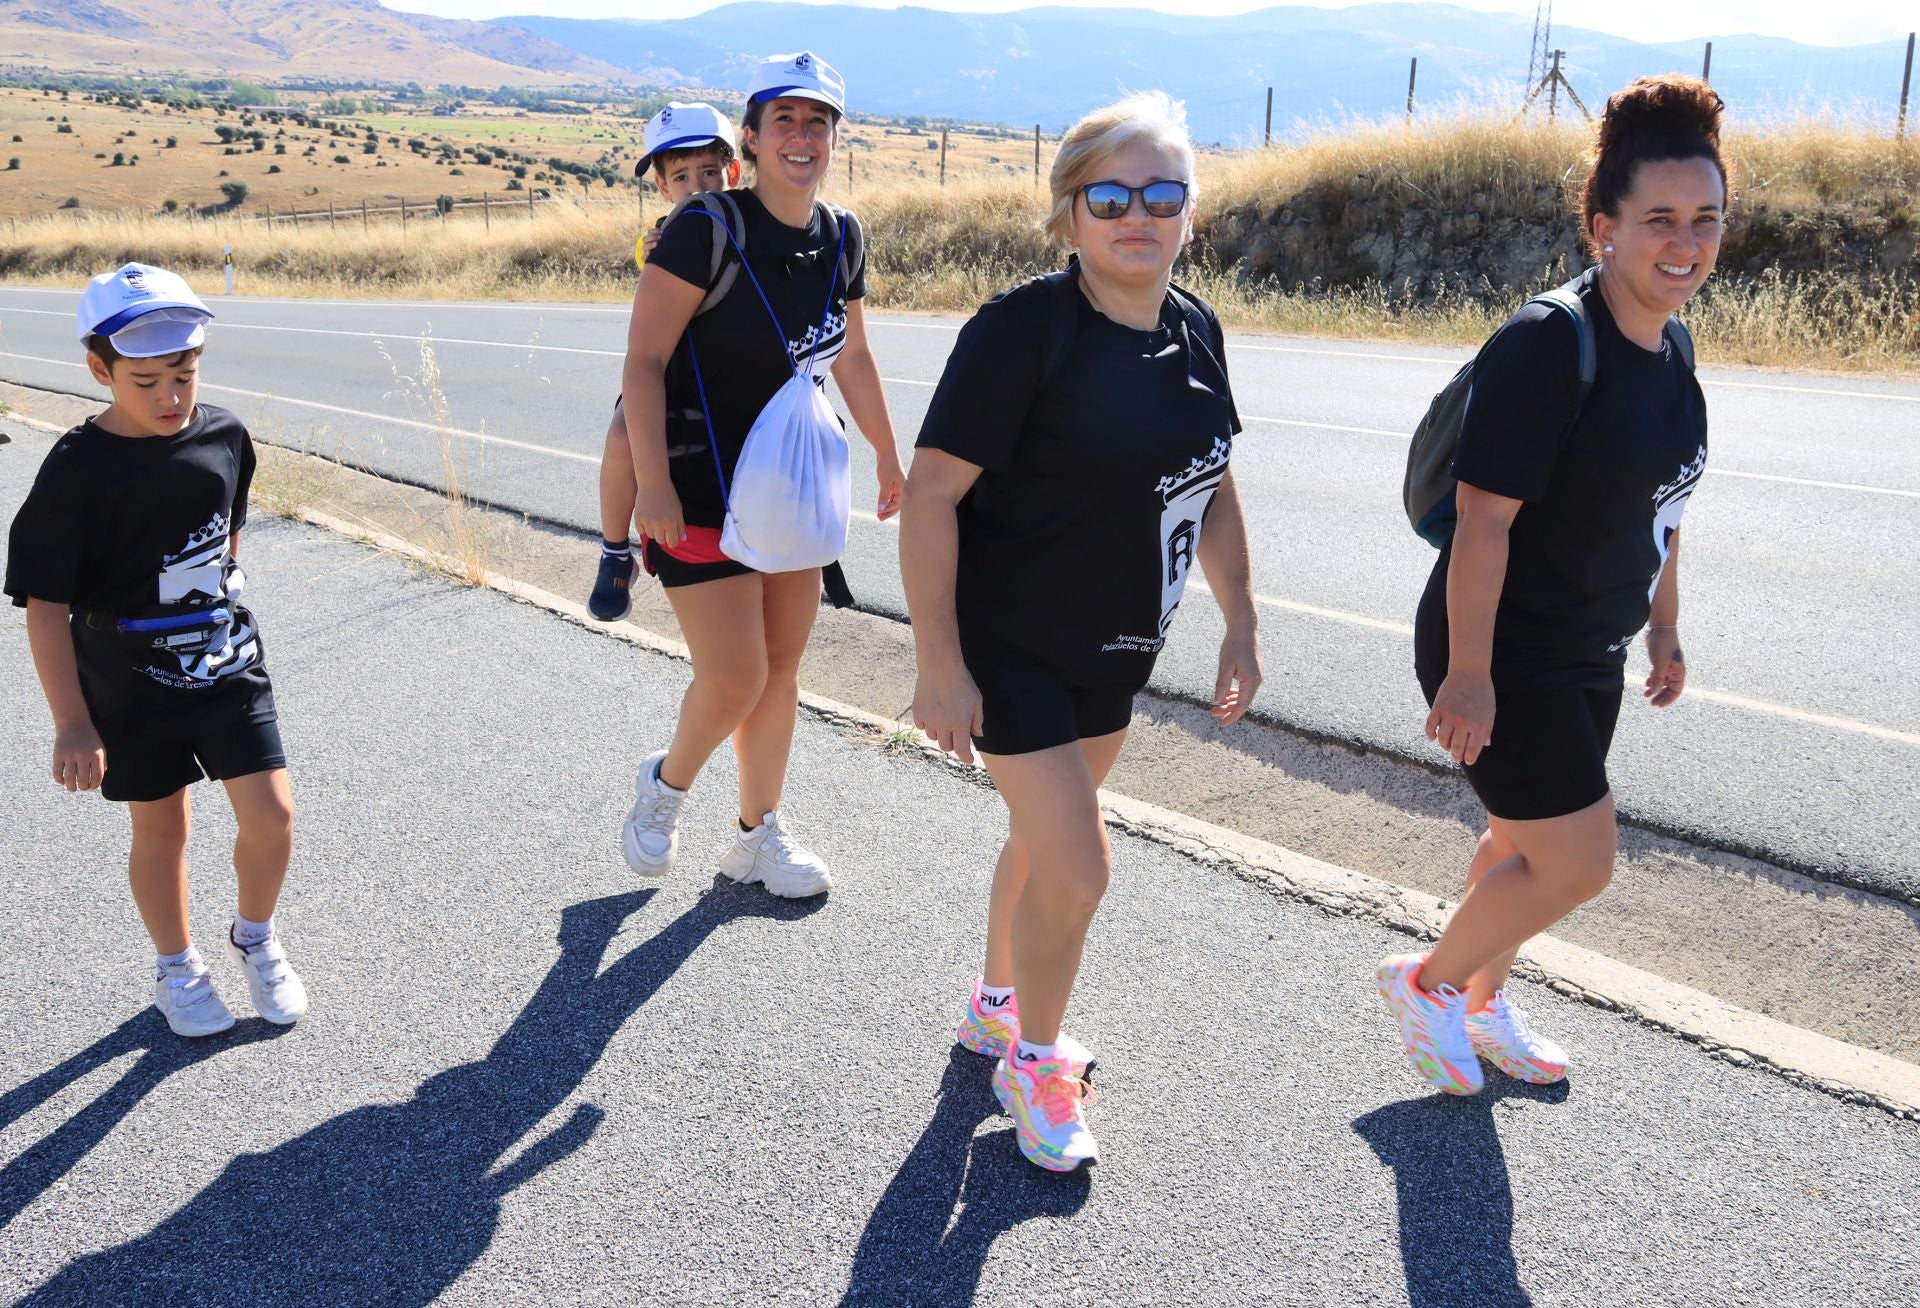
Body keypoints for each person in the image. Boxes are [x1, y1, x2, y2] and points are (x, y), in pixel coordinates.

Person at [900, 91, 1260, 1171]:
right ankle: (1036, 1062)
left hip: (1119, 646)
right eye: (1110, 196)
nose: (1137, 215)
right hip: (1011, 645)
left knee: (1045, 844)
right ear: (1069, 215)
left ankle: (996, 1004)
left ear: (1191, 212)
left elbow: (1214, 479)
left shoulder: (1195, 325)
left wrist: (1240, 616)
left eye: (1163, 194)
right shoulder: (1021, 334)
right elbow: (927, 498)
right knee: (1082, 864)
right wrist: (939, 664)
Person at [1380, 75, 1724, 1095]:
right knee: (1578, 863)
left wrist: (1664, 626)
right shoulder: (1549, 343)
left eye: (1705, 219)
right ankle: (1431, 985)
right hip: (1504, 646)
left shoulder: (1672, 347)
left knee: (1519, 845)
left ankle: (1480, 1008)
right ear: (1602, 224)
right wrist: (1471, 676)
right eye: (1658, 218)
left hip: (1590, 646)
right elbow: (1484, 520)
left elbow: (1660, 505)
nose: (1685, 242)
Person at [615, 51, 905, 898]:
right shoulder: (705, 229)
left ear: (834, 138)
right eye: (786, 119)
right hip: (696, 485)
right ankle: (665, 788)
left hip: (794, 490)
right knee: (735, 673)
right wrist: (651, 485)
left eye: (819, 121)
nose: (803, 136)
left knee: (781, 671)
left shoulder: (841, 235)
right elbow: (642, 361)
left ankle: (756, 836)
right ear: (752, 136)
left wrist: (890, 453)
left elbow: (852, 352)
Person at [6, 263, 308, 1037]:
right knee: (162, 827)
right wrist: (72, 723)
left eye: (185, 373)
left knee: (272, 813)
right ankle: (178, 966)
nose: (172, 397)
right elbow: (46, 609)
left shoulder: (226, 433)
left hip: (226, 662)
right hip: (127, 681)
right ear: (99, 370)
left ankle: (255, 936)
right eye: (146, 381)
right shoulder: (75, 472)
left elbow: (223, 531)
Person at [587, 102, 742, 622]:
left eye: (709, 172)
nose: (697, 187)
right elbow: (649, 280)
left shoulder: (750, 224)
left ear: (734, 172)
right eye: (681, 177)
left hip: (724, 375)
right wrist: (649, 253)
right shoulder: (664, 235)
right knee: (622, 437)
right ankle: (614, 551)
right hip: (669, 374)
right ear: (662, 186)